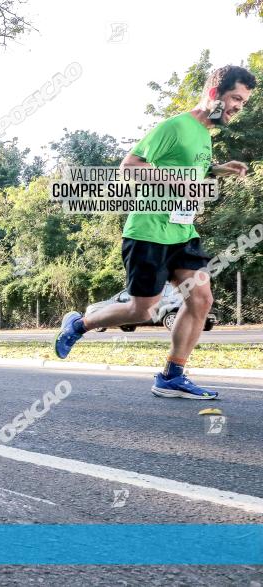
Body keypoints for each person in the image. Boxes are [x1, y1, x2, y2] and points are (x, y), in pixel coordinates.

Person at [55, 65, 256, 400]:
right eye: (235, 98)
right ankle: (78, 324)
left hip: (182, 231)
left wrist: (218, 169)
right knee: (142, 310)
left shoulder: (205, 135)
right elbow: (130, 166)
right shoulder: (176, 126)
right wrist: (179, 182)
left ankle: (171, 375)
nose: (238, 106)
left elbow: (191, 169)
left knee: (201, 299)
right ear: (213, 94)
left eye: (243, 102)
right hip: (149, 230)